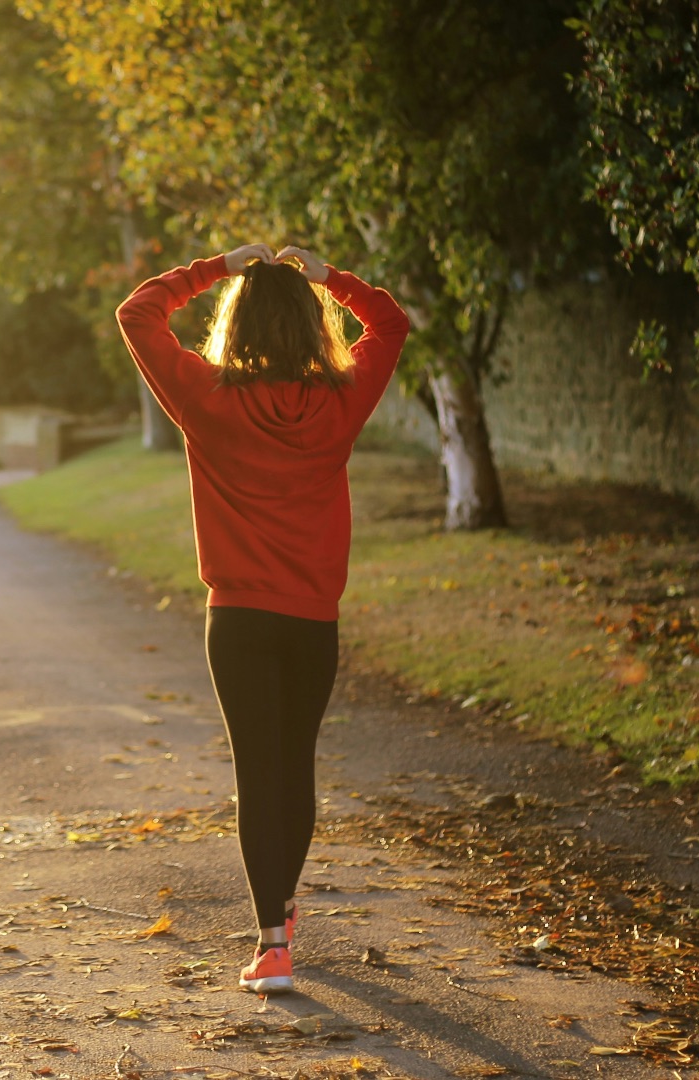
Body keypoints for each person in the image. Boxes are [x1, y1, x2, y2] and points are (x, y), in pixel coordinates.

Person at [115, 243, 410, 994]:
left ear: (236, 325)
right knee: (295, 765)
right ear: (313, 327)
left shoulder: (206, 396)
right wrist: (329, 278)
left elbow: (137, 313)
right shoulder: (342, 398)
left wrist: (217, 267)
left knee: (258, 772)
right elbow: (392, 322)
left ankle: (273, 943)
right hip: (312, 619)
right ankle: (279, 910)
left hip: (239, 619)